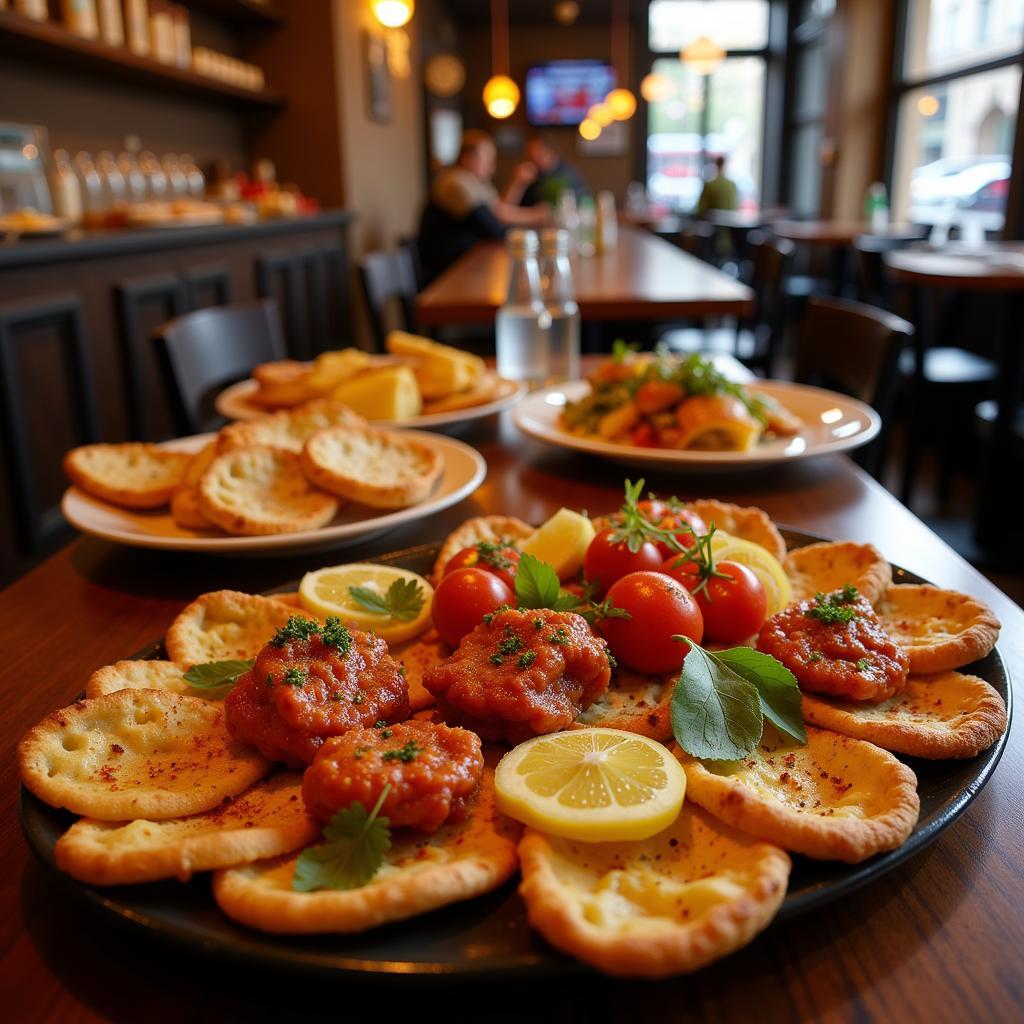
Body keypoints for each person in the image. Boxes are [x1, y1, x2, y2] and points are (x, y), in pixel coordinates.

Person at [417, 130, 548, 284]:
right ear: (466, 159)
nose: (492, 167)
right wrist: (534, 227)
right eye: (487, 161)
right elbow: (492, 227)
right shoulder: (455, 182)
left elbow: (499, 211)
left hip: (463, 266)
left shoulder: (475, 182)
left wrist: (519, 184)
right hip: (444, 274)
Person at [518, 134, 589, 208]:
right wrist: (518, 182)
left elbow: (582, 204)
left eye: (539, 155)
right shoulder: (533, 174)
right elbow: (508, 208)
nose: (535, 160)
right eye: (531, 157)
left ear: (552, 153)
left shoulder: (567, 174)